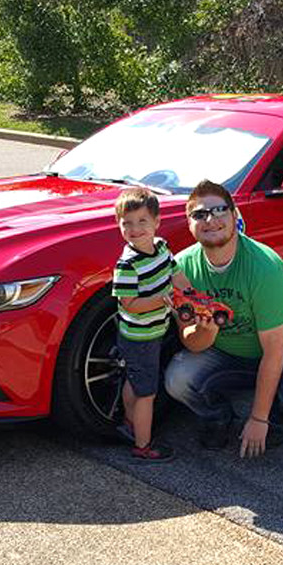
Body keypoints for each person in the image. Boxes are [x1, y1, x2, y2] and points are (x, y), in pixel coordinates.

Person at [164, 180, 283, 458]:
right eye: (199, 214)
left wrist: (259, 418)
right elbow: (191, 343)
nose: (210, 219)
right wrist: (208, 332)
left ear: (235, 215)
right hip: (225, 352)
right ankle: (218, 418)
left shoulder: (265, 267)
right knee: (177, 379)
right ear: (189, 223)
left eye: (219, 210)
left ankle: (275, 421)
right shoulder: (181, 268)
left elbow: (274, 351)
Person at [111, 187, 184, 463]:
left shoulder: (162, 247)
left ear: (157, 222)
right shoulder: (127, 265)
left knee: (136, 379)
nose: (134, 228)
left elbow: (174, 272)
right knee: (147, 393)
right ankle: (143, 444)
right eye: (126, 222)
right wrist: (165, 301)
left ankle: (130, 421)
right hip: (138, 336)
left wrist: (187, 292)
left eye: (142, 221)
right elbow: (130, 303)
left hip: (152, 332)